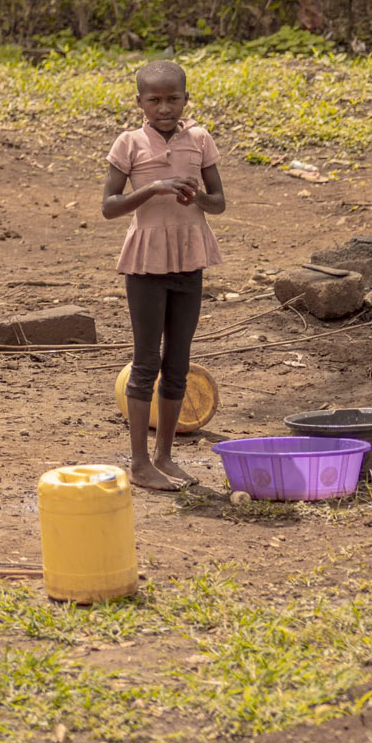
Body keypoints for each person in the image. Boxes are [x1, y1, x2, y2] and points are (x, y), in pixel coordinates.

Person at [99, 59, 226, 491]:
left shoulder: (200, 140)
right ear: (140, 103)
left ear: (186, 99)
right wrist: (152, 189)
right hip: (145, 265)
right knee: (146, 361)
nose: (165, 108)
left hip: (189, 260)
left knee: (179, 363)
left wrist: (199, 197)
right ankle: (138, 463)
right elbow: (109, 206)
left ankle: (165, 457)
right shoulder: (129, 143)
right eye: (154, 100)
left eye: (173, 99)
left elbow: (220, 202)